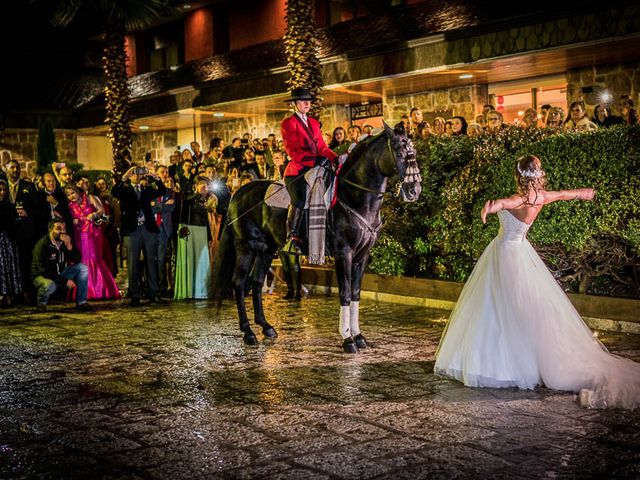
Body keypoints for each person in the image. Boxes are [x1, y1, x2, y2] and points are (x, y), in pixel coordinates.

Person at [434, 155, 640, 409]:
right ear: (537, 174)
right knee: (516, 306)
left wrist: (490, 207)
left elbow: (504, 202)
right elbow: (565, 194)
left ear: (519, 175)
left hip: (506, 253)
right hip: (520, 251)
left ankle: (503, 363)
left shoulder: (520, 199)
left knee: (499, 305)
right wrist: (583, 193)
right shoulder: (541, 197)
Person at [280, 88, 339, 255]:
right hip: (297, 170)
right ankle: (291, 237)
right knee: (299, 198)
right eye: (303, 101)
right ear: (295, 104)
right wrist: (314, 160)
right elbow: (293, 151)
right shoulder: (288, 123)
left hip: (317, 166)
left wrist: (335, 158)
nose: (307, 103)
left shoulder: (313, 122)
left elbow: (322, 147)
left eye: (308, 101)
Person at [111, 165, 167, 307]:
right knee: (133, 263)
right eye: (135, 173)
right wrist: (124, 176)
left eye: (139, 173)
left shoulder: (147, 189)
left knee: (151, 262)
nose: (138, 175)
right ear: (131, 175)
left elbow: (162, 191)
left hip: (148, 230)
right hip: (132, 231)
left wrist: (156, 177)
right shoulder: (125, 190)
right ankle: (134, 295)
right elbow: (114, 191)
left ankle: (153, 294)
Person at [65, 185, 120, 300]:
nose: (71, 196)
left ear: (78, 192)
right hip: (79, 235)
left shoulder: (90, 198)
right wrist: (73, 221)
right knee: (83, 260)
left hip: (93, 233)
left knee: (95, 259)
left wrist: (94, 214)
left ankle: (101, 290)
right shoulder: (70, 206)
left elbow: (102, 210)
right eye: (69, 195)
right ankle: (85, 291)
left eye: (73, 193)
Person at [31, 219, 94, 312]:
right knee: (50, 285)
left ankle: (82, 303)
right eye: (58, 228)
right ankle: (41, 304)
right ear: (50, 229)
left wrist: (69, 246)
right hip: (42, 276)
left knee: (82, 268)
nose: (62, 231)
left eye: (64, 228)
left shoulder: (64, 241)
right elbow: (44, 271)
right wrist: (65, 281)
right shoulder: (42, 244)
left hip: (60, 273)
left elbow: (77, 259)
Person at [174, 177, 216, 300]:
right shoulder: (189, 199)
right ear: (196, 186)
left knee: (202, 262)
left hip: (202, 232)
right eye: (201, 184)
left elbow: (207, 220)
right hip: (190, 232)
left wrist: (209, 236)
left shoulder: (209, 201)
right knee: (190, 260)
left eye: (206, 185)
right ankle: (188, 291)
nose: (203, 186)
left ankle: (201, 291)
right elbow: (183, 212)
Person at [0, 180, 22, 307]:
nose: (2, 193)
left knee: (7, 267)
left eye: (4, 190)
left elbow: (13, 224)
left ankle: (7, 294)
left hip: (7, 240)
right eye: (0, 190)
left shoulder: (8, 206)